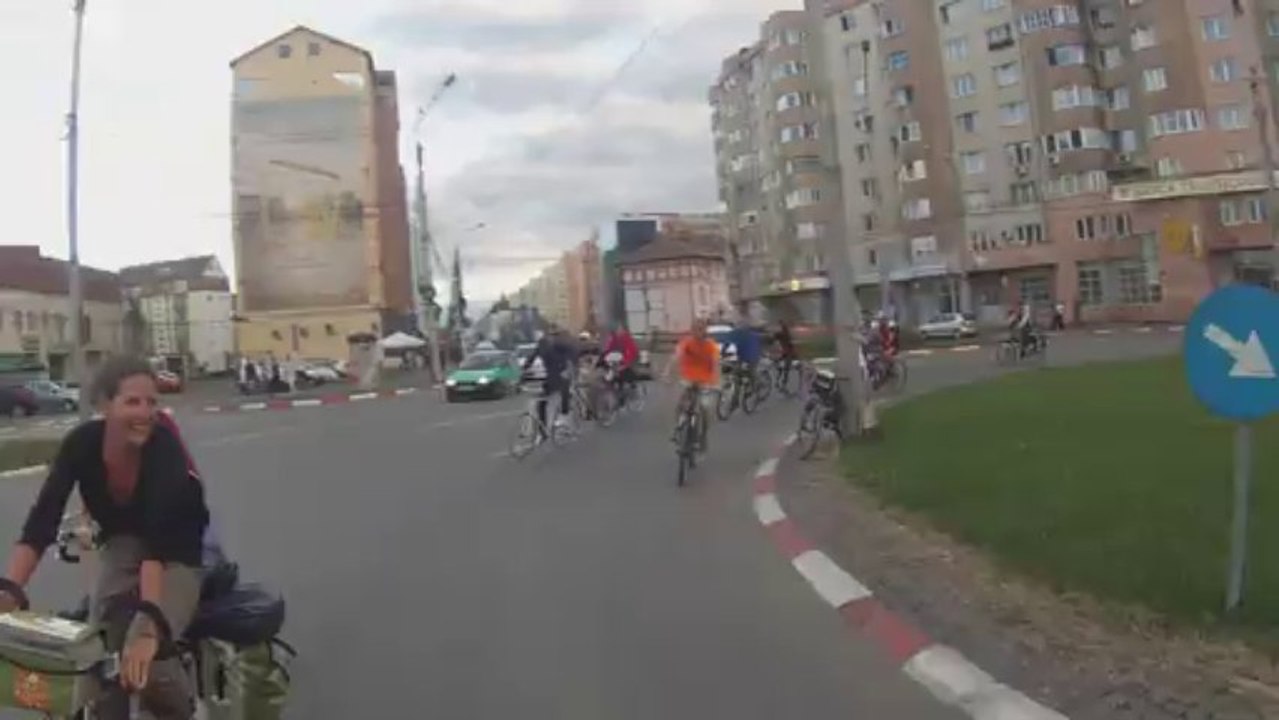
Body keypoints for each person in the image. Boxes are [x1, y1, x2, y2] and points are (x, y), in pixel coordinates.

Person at [0, 355, 211, 719]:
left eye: (151, 402)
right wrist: (10, 590)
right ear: (104, 405)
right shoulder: (80, 445)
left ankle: (191, 711)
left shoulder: (164, 448)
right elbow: (42, 522)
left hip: (176, 555)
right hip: (123, 546)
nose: (146, 412)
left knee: (147, 660)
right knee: (97, 652)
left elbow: (157, 545)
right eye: (132, 401)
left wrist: (148, 626)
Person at [663, 318, 721, 452]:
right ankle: (678, 428)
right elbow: (675, 357)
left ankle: (703, 436)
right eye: (695, 329)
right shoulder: (686, 343)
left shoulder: (711, 345)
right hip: (688, 379)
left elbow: (716, 363)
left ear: (705, 331)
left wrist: (716, 382)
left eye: (700, 329)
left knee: (705, 409)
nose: (697, 332)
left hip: (705, 381)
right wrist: (667, 372)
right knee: (680, 404)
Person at [522, 326, 577, 441]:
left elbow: (571, 354)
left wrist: (569, 368)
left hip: (562, 373)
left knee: (564, 392)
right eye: (550, 334)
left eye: (554, 334)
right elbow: (533, 356)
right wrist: (524, 369)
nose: (551, 337)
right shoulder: (542, 344)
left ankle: (564, 419)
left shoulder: (560, 343)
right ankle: (543, 432)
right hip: (548, 376)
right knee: (541, 403)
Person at [598, 321, 639, 399]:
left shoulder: (625, 337)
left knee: (619, 371)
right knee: (612, 364)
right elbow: (609, 348)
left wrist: (625, 363)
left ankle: (622, 390)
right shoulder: (615, 337)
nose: (618, 331)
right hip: (621, 359)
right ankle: (614, 385)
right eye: (617, 330)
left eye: (619, 329)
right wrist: (603, 356)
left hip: (628, 359)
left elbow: (632, 351)